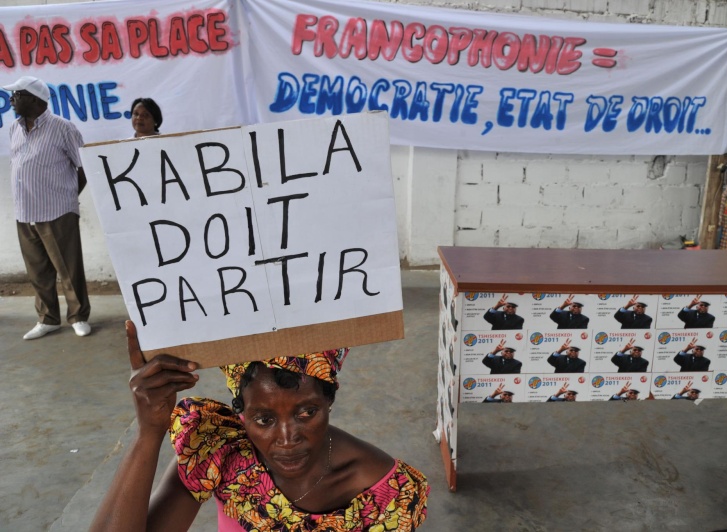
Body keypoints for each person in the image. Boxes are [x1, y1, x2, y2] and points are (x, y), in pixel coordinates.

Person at [90, 322, 429, 531]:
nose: (287, 438)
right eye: (264, 419)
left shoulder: (386, 493)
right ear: (242, 412)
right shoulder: (220, 448)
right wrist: (148, 433)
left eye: (307, 412)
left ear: (329, 401)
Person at [3, 76, 91, 340]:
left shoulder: (63, 128)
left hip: (57, 211)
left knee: (68, 268)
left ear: (33, 98)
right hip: (25, 211)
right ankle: (48, 318)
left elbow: (83, 168)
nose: (11, 100)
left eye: (16, 94)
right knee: (38, 270)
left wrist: (66, 197)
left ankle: (78, 316)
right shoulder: (14, 129)